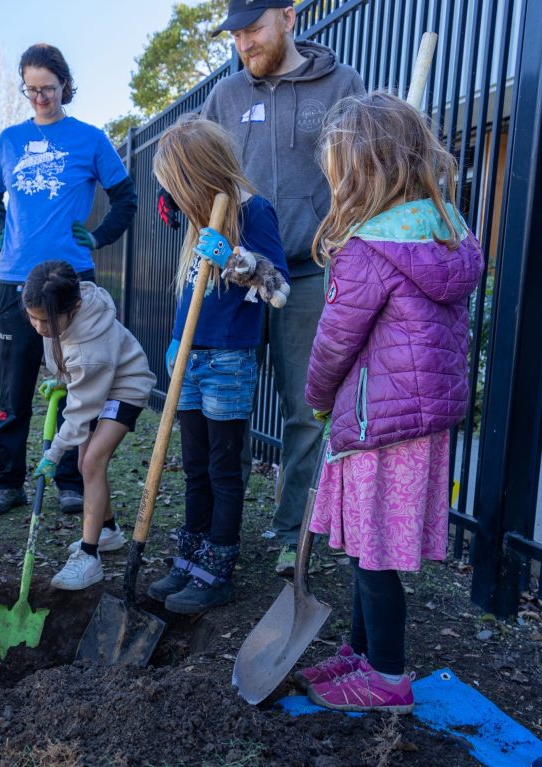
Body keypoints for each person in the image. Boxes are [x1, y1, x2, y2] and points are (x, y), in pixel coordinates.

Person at [298, 92, 483, 713]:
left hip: (381, 423)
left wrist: (318, 399)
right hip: (423, 424)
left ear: (360, 173)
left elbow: (333, 342)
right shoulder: (445, 231)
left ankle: (387, 679)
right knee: (368, 547)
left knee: (371, 557)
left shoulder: (370, 249)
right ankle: (360, 652)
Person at [204, 0, 365, 577]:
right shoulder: (225, 99)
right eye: (237, 35)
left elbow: (360, 171)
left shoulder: (341, 85)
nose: (244, 43)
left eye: (254, 29)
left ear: (289, 17)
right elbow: (208, 179)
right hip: (238, 277)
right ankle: (223, 529)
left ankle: (291, 530)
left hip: (310, 273)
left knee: (305, 408)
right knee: (228, 406)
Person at [0, 43, 138, 516]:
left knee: (76, 379)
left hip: (71, 281)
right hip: (15, 282)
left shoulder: (90, 139)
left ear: (65, 86)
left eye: (47, 89)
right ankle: (8, 481)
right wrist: (1, 236)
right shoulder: (8, 140)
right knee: (14, 386)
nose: (40, 99)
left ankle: (71, 479)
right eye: (31, 91)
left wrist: (97, 236)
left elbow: (126, 197)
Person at [146, 114, 288, 615]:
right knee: (195, 466)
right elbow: (190, 295)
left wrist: (236, 259)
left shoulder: (255, 213)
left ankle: (217, 569)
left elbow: (278, 290)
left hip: (228, 360)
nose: (176, 200)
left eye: (177, 187)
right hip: (187, 358)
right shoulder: (197, 222)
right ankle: (190, 557)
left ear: (199, 176)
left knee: (225, 468)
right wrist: (171, 343)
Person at [23, 261, 155, 589]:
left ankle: (89, 555)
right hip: (95, 383)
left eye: (46, 320)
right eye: (33, 317)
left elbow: (80, 412)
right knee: (84, 463)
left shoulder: (89, 349)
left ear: (76, 307)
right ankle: (108, 530)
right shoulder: (58, 308)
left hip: (124, 387)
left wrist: (53, 454)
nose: (39, 327)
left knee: (93, 461)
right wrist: (63, 380)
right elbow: (65, 359)